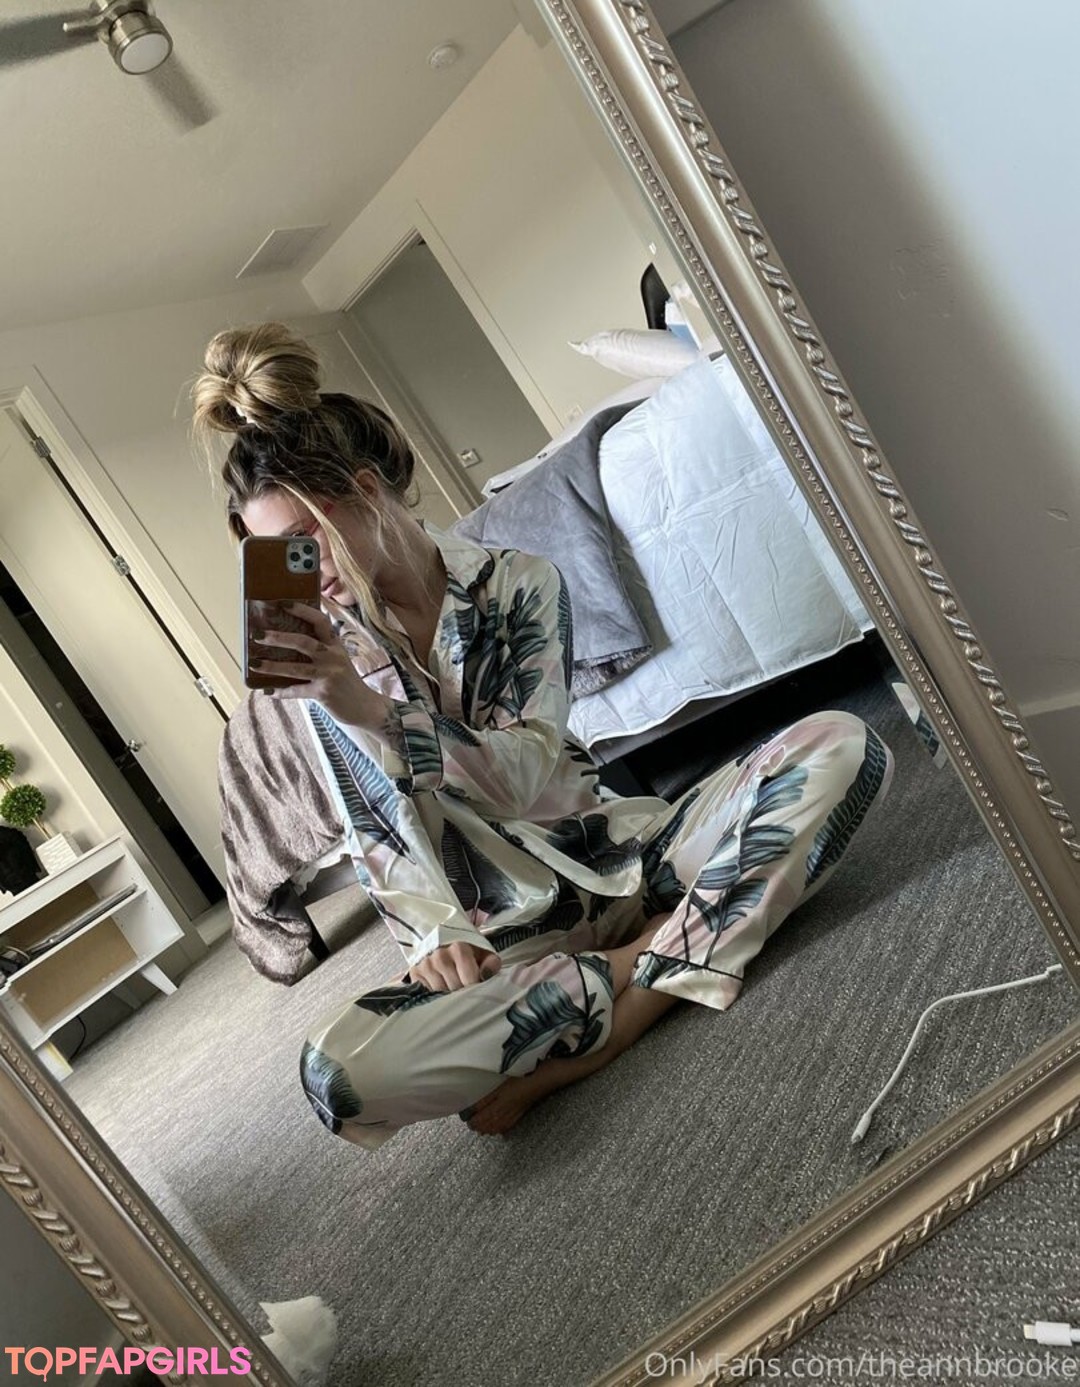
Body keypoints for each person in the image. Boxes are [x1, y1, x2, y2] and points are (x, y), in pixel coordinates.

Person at [193, 322, 895, 1150]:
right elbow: (376, 828)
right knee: (339, 1075)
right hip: (507, 940)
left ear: (366, 490)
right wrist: (439, 939)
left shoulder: (522, 583)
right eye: (274, 558)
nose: (306, 578)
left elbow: (524, 774)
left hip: (627, 860)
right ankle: (668, 948)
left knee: (843, 746)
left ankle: (621, 1012)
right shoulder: (330, 661)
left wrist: (376, 712)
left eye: (303, 544)